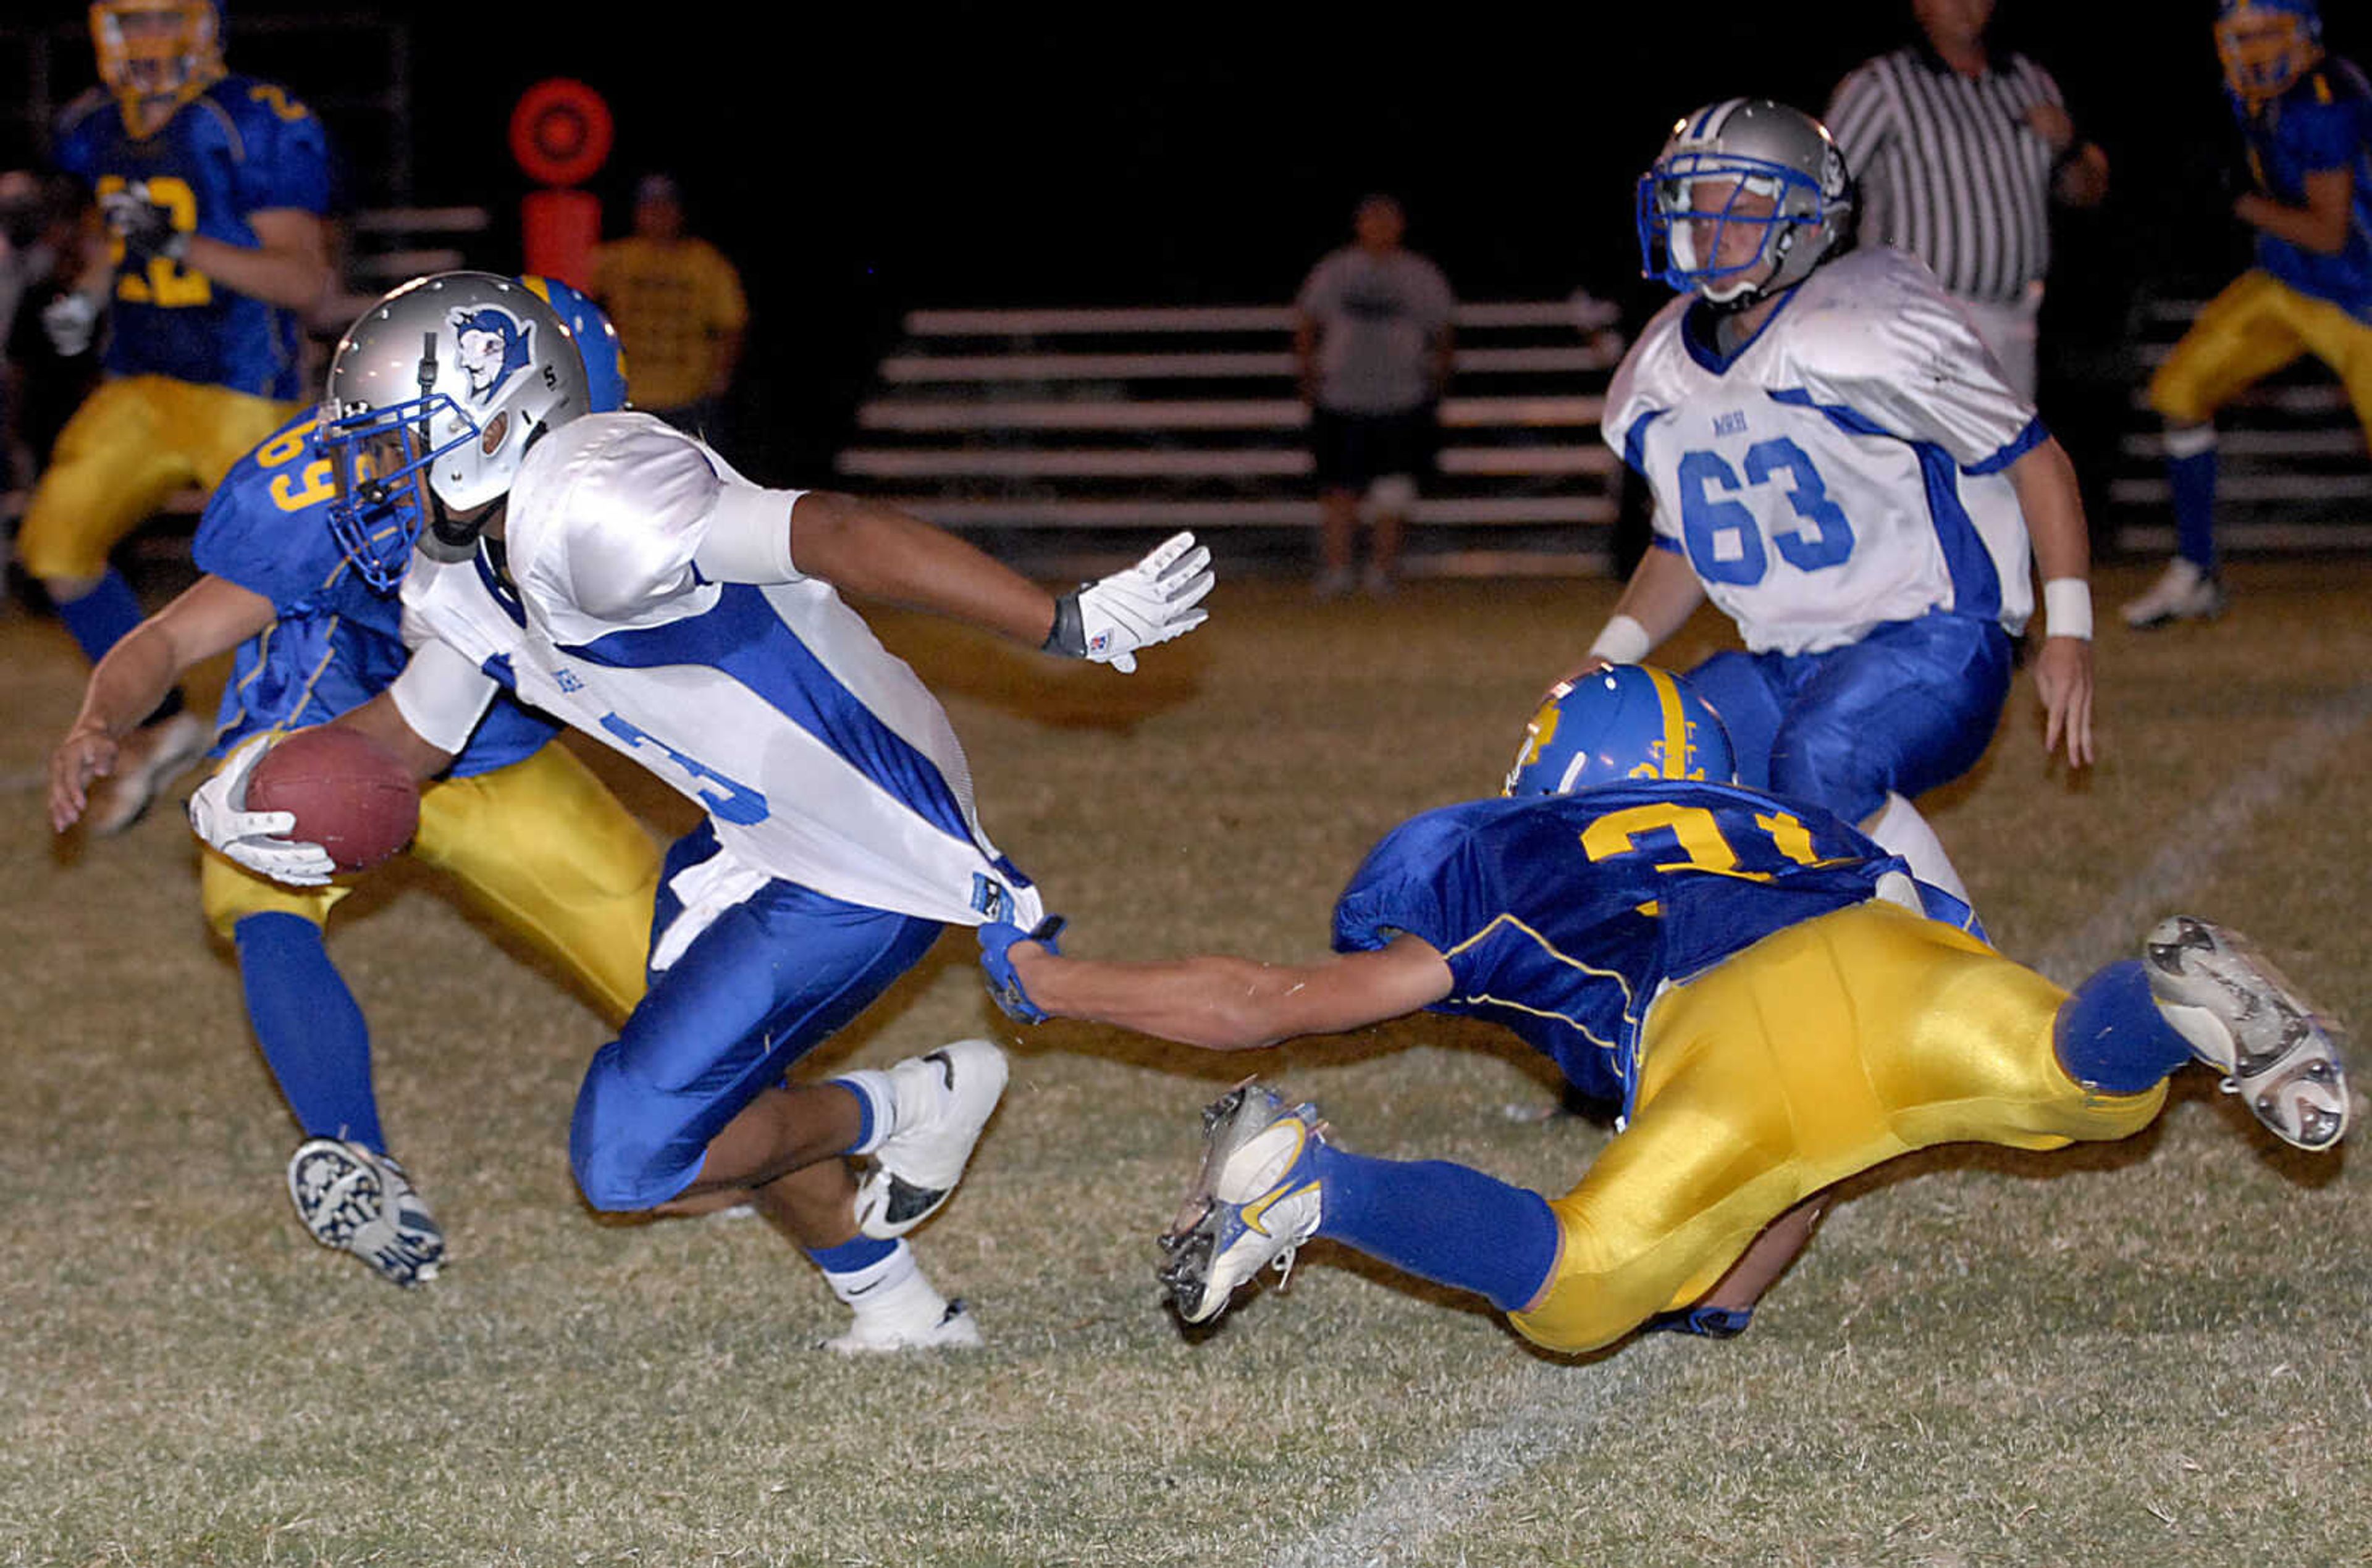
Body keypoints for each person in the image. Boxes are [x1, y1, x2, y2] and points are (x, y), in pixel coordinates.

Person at [187, 272, 1215, 1350]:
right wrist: (255, 779)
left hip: (863, 840)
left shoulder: (595, 498)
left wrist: (1057, 620)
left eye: (396, 442)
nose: (371, 472)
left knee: (635, 1151)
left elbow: (837, 530)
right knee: (648, 1141)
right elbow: (405, 745)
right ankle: (900, 1275)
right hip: (755, 837)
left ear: (496, 421)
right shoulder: (457, 570)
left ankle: (912, 1112)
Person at [976, 666, 2351, 1357]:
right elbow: (1812, 1175)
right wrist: (1720, 1311)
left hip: (1721, 1035)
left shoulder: (1507, 849)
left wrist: (1053, 982)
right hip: (1887, 949)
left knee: (1573, 1296)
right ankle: (2165, 1008)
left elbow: (1276, 1005)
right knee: (2071, 1085)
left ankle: (1323, 1188)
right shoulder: (1772, 821)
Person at [49, 278, 654, 1288]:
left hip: (489, 741)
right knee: (259, 877)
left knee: (666, 966)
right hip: (329, 721)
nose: (374, 454)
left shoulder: (617, 506)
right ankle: (353, 1154)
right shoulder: (326, 492)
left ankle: (784, 1121)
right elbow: (172, 634)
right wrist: (102, 715)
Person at [1583, 97, 2097, 906]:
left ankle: (1961, 970)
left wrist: (2068, 631)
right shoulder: (1659, 369)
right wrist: (1608, 655)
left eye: (1741, 204)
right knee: (1656, 766)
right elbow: (1684, 545)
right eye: (1699, 200)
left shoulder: (1865, 324)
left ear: (1807, 217)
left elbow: (2036, 459)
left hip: (1933, 638)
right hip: (1790, 659)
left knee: (1823, 761)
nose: (1711, 223)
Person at [23, 0, 335, 834]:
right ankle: (163, 719)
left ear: (207, 26)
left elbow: (308, 284)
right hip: (139, 379)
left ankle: (330, 751)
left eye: (167, 18)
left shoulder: (252, 122)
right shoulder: (94, 123)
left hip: (243, 386)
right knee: (55, 546)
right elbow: (115, 224)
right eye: (132, 20)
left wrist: (181, 247)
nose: (150, 40)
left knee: (295, 585)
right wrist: (92, 291)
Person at [2123, 0, 2372, 630]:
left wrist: (2235, 201)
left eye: (2268, 35)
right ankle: (2196, 573)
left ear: (2307, 34)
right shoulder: (2256, 95)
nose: (2255, 51)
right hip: (2288, 283)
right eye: (2243, 38)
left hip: (2358, 300)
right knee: (2180, 391)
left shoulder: (2327, 98)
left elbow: (2328, 230)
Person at [1823, 0, 2111, 405]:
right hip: (1916, 318)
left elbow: (2088, 192)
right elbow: (1820, 190)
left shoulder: (2029, 80)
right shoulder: (1881, 85)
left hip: (2015, 322)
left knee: (2009, 464)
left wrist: (2069, 143)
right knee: (1926, 462)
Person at [1293, 194, 1456, 600]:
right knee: (1338, 489)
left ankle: (1382, 571)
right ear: (1358, 225)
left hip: (1402, 397)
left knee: (1393, 490)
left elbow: (1444, 331)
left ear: (1400, 227)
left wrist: (1437, 381)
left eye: (1388, 220)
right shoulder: (1336, 270)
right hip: (1341, 396)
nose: (1380, 228)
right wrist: (1307, 375)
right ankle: (1337, 570)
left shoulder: (1420, 274)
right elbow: (1307, 323)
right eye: (1372, 220)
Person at [584, 174, 747, 440]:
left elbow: (732, 325)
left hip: (689, 398)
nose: (658, 214)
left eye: (666, 205)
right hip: (628, 396)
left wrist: (721, 379)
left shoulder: (707, 262)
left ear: (680, 211)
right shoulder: (612, 258)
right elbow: (576, 308)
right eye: (650, 206)